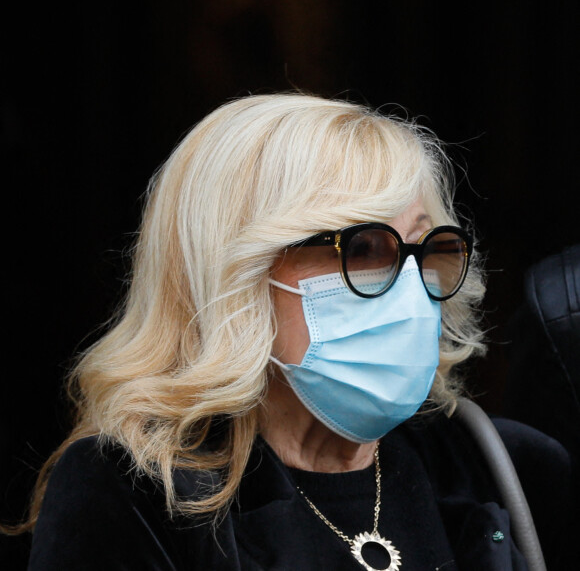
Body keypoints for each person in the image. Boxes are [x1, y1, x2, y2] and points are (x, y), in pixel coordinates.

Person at [14, 94, 574, 569]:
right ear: (234, 272)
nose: (410, 286)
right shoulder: (133, 493)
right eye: (364, 247)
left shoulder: (507, 467)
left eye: (426, 248)